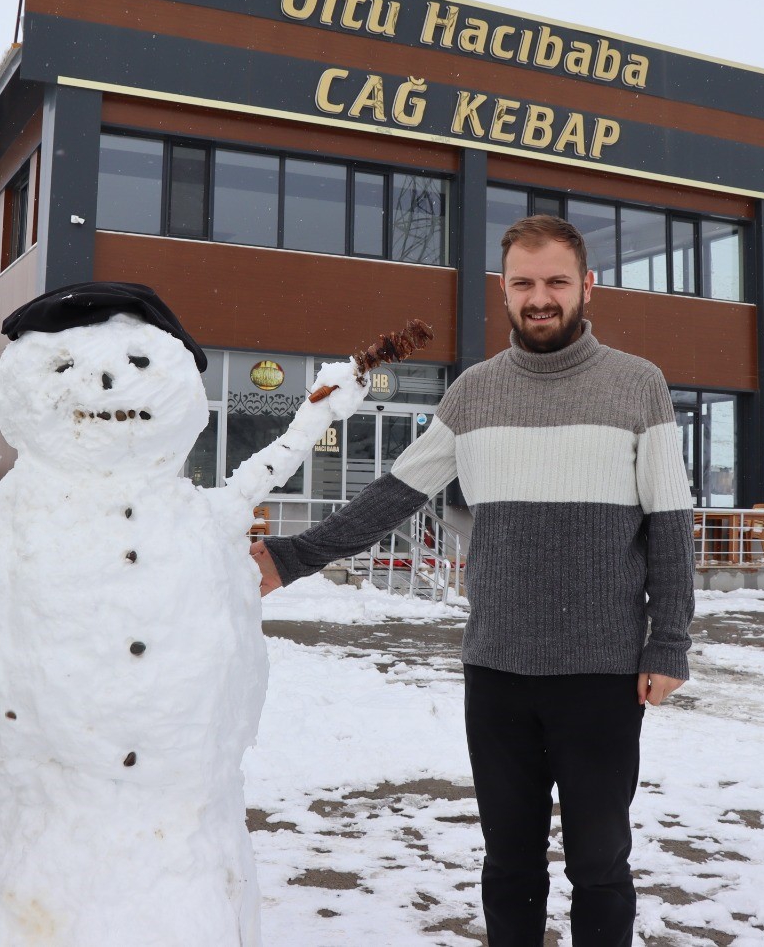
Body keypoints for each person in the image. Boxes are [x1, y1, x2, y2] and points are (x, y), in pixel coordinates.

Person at [250, 215, 694, 947]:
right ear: (505, 291)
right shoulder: (473, 395)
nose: (540, 297)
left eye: (556, 281)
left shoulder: (637, 386)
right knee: (509, 865)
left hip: (603, 673)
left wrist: (668, 644)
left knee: (601, 865)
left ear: (587, 286)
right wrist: (293, 556)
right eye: (524, 283)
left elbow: (671, 525)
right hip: (498, 672)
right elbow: (395, 494)